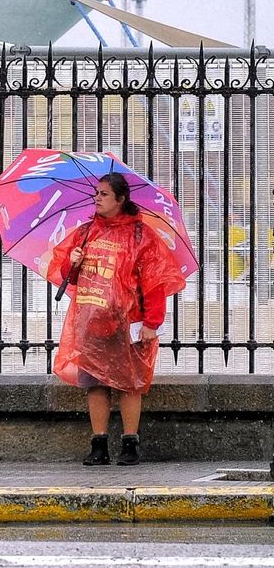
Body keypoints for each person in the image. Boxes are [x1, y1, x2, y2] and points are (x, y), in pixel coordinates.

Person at [46, 172, 185, 466]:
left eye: (104, 194)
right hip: (92, 323)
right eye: (96, 193)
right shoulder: (85, 233)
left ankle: (130, 444)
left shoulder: (140, 236)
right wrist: (72, 263)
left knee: (128, 384)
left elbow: (154, 281)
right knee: (95, 384)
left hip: (129, 324)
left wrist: (152, 323)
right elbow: (65, 276)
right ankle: (99, 445)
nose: (97, 198)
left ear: (121, 199)